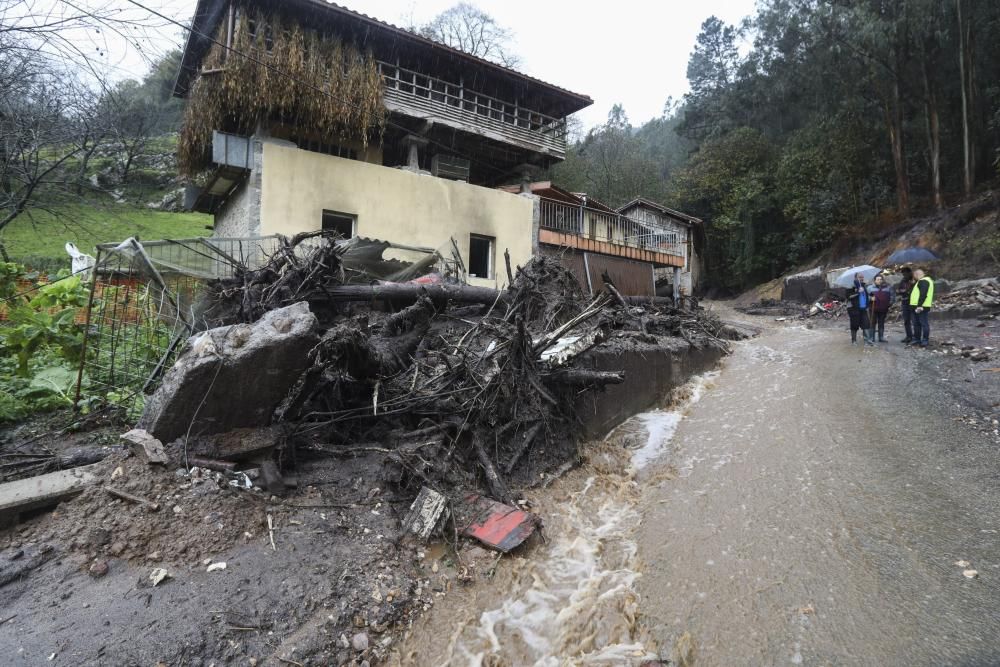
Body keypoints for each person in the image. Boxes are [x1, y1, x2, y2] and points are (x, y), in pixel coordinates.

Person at [909, 267, 935, 347]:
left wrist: (919, 305)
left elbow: (923, 294)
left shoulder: (924, 281)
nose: (914, 277)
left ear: (917, 274)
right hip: (916, 306)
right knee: (917, 324)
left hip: (920, 307)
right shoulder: (922, 281)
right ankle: (917, 339)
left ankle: (925, 340)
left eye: (914, 276)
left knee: (923, 323)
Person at [846, 273, 873, 345]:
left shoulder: (864, 285)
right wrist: (858, 292)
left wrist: (871, 296)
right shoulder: (850, 286)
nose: (862, 278)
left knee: (866, 324)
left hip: (863, 308)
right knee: (854, 325)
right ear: (855, 278)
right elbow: (848, 297)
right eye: (860, 277)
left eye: (862, 277)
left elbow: (866, 296)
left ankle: (867, 341)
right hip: (853, 309)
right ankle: (854, 341)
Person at [867, 274, 894, 342]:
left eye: (881, 279)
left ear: (883, 280)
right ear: (875, 280)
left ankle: (881, 337)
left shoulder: (888, 287)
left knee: (881, 323)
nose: (879, 281)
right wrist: (870, 298)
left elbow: (892, 296)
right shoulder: (870, 288)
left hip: (883, 308)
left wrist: (889, 304)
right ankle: (871, 337)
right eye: (878, 279)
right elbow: (865, 296)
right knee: (872, 323)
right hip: (873, 308)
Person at [896, 267, 915, 343]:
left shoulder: (914, 280)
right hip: (905, 302)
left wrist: (906, 291)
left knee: (915, 321)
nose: (904, 275)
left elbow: (913, 292)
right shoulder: (903, 280)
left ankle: (916, 337)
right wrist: (903, 291)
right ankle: (909, 336)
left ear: (909, 273)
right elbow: (898, 290)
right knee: (906, 321)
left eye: (905, 273)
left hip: (913, 303)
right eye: (903, 274)